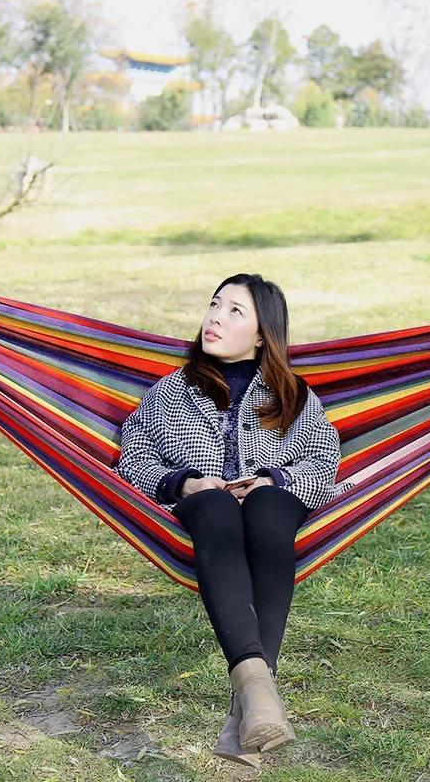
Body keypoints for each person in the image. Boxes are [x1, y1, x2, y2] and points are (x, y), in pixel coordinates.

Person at [117, 273, 352, 768]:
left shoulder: (293, 396)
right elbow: (133, 455)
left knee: (266, 509)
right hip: (205, 508)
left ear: (263, 334)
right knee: (220, 507)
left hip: (276, 499)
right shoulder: (169, 392)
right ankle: (256, 698)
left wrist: (270, 478)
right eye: (213, 305)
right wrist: (184, 484)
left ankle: (246, 709)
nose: (215, 318)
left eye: (234, 312)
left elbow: (323, 457)